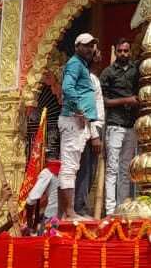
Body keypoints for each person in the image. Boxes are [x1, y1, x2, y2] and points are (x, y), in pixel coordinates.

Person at [58, 32, 100, 221]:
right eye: (86, 45)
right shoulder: (75, 64)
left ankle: (68, 211)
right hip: (74, 121)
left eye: (92, 45)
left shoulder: (81, 65)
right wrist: (79, 110)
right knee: (70, 167)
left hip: (79, 123)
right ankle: (69, 212)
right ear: (77, 47)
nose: (90, 49)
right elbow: (67, 88)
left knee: (73, 167)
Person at [100, 38, 139, 216]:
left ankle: (122, 207)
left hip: (131, 126)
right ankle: (110, 209)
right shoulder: (108, 73)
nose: (123, 54)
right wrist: (127, 100)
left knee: (125, 169)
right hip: (115, 125)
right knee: (112, 168)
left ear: (130, 52)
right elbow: (104, 102)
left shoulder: (135, 70)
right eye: (120, 51)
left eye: (126, 51)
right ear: (116, 52)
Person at [74, 46, 105, 215]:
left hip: (96, 127)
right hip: (89, 130)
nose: (100, 56)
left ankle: (81, 206)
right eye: (97, 54)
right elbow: (87, 109)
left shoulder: (93, 78)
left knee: (90, 169)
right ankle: (80, 208)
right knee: (85, 169)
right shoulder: (86, 78)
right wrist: (94, 135)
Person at [25, 158, 60, 232]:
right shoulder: (71, 171)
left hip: (51, 220)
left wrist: (29, 224)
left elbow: (31, 200)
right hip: (69, 220)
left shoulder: (47, 172)